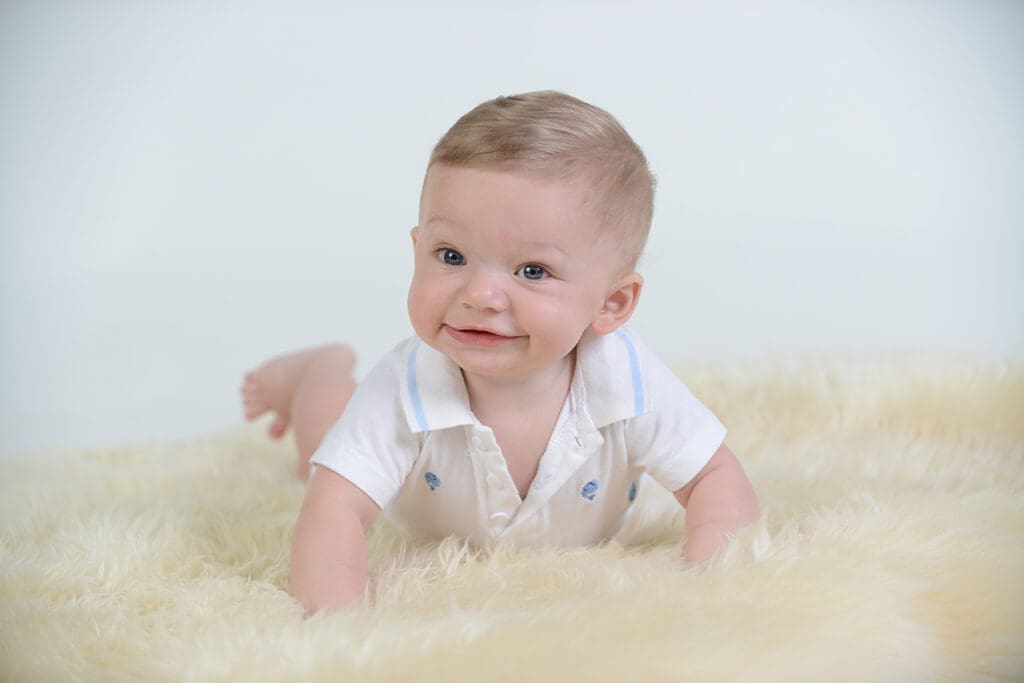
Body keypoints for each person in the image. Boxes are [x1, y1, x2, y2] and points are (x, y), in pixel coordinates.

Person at [241, 91, 759, 615]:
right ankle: (319, 371)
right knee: (320, 448)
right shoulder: (405, 384)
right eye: (451, 256)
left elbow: (714, 478)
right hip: (416, 515)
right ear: (417, 248)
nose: (480, 296)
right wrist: (340, 623)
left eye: (532, 271)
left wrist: (707, 587)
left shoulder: (627, 378)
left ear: (611, 303)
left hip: (587, 533)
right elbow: (334, 509)